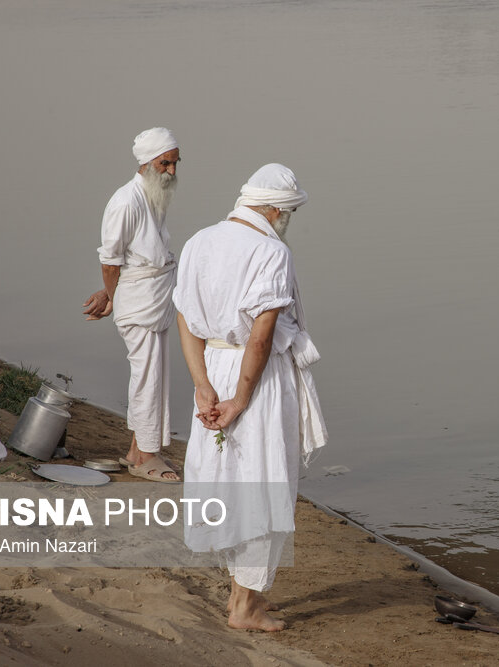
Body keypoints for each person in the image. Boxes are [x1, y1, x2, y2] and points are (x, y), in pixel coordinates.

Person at [173, 163, 327, 631]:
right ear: (276, 210)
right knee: (263, 481)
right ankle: (245, 606)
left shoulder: (199, 240)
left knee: (227, 477)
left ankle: (241, 593)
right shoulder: (271, 252)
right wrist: (240, 398)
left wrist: (202, 385)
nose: (287, 222)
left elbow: (185, 319)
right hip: (254, 376)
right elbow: (261, 337)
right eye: (289, 213)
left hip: (213, 366)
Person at [82, 127, 181, 483]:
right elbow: (110, 262)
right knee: (146, 378)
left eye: (174, 163)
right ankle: (144, 458)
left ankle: (140, 451)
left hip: (152, 295)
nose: (171, 171)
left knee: (154, 375)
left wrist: (109, 293)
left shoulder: (152, 195)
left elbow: (133, 260)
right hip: (139, 302)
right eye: (164, 163)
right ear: (147, 163)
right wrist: (115, 296)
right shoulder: (125, 201)